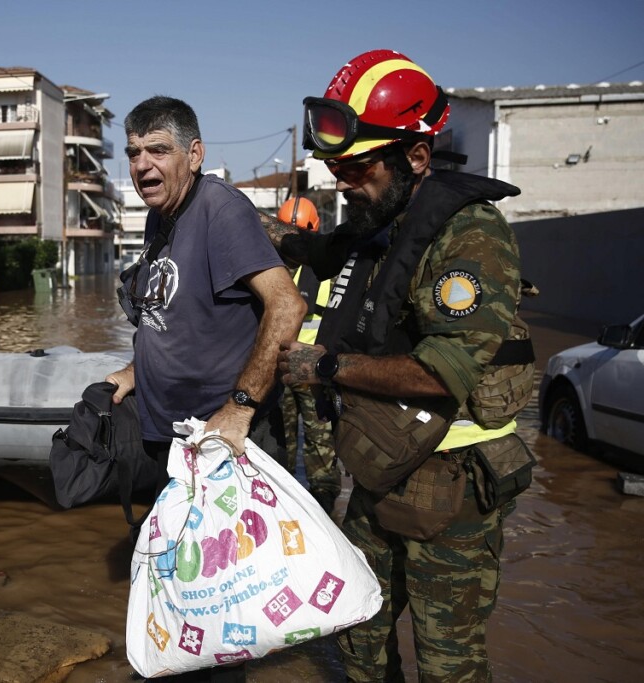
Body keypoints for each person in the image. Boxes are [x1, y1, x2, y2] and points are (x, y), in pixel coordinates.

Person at [266, 50, 533, 681]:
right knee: (358, 641)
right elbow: (308, 245)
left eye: (356, 166)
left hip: (454, 487)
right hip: (382, 468)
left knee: (448, 665)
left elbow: (442, 373)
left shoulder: (471, 237)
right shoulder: (382, 222)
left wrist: (325, 368)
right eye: (334, 167)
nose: (341, 181)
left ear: (414, 157)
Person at [106, 94, 305, 504]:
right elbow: (169, 313)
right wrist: (134, 371)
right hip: (172, 436)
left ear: (194, 154)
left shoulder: (221, 209)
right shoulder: (159, 214)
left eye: (158, 150)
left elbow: (287, 305)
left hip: (223, 441)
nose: (143, 165)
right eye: (134, 153)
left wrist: (240, 407)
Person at [276, 196, 340, 514]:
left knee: (320, 435)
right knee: (282, 437)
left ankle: (324, 502)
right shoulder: (272, 268)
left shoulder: (329, 270)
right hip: (281, 367)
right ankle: (281, 498)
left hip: (315, 370)